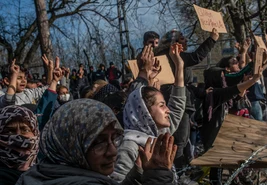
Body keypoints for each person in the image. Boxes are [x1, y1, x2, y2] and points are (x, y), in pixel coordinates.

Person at [16, 99, 177, 185]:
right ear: (70, 145)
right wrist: (159, 176)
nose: (113, 151)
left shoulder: (38, 174)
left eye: (114, 138)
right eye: (98, 142)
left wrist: (136, 176)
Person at [112, 43, 186, 182]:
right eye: (162, 105)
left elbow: (178, 105)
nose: (168, 110)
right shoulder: (130, 146)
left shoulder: (160, 135)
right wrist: (139, 171)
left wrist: (179, 66)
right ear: (145, 112)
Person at [154, 28, 220, 168]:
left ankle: (182, 169)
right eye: (182, 38)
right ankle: (176, 171)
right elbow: (197, 57)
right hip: (178, 104)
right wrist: (212, 39)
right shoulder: (171, 56)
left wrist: (200, 92)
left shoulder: (170, 56)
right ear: (174, 43)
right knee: (179, 141)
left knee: (184, 140)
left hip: (183, 103)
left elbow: (187, 85)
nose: (187, 40)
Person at [0, 105, 39, 185]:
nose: (18, 136)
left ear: (35, 133)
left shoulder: (45, 167)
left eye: (25, 130)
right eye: (10, 131)